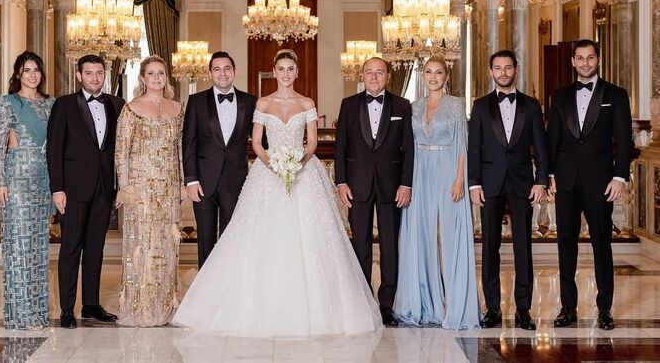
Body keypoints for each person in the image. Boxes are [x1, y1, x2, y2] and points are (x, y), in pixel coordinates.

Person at [172, 49, 382, 337]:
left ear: (297, 72)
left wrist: (297, 164)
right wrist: (273, 164)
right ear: (274, 72)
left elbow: (312, 143)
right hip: (268, 173)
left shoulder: (307, 103)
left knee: (310, 237)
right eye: (281, 69)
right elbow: (257, 142)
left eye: (290, 69)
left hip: (303, 173)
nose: (285, 73)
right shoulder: (262, 103)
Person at [547, 39, 632, 331]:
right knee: (565, 244)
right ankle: (567, 307)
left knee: (601, 244)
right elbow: (552, 138)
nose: (585, 63)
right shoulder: (560, 96)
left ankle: (605, 309)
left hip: (601, 182)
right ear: (573, 61)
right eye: (580, 58)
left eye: (590, 57)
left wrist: (620, 177)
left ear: (598, 60)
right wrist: (550, 175)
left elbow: (623, 140)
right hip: (566, 182)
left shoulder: (616, 95)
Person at [394, 55, 480, 330]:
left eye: (439, 72)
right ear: (423, 76)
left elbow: (463, 144)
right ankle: (425, 303)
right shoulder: (414, 107)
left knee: (446, 237)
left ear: (446, 76)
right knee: (421, 237)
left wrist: (460, 179)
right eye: (429, 72)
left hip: (447, 171)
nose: (433, 77)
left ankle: (453, 304)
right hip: (420, 173)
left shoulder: (455, 105)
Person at [468, 49, 548, 331]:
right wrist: (474, 183)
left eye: (508, 67)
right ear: (491, 71)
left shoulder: (531, 105)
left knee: (523, 247)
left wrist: (541, 181)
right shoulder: (480, 106)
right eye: (498, 68)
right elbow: (473, 147)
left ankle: (523, 309)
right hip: (489, 184)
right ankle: (492, 308)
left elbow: (541, 146)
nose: (503, 73)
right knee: (490, 247)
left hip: (522, 184)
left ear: (516, 69)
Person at [334, 57, 415, 326]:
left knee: (390, 246)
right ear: (362, 75)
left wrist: (406, 183)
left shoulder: (402, 106)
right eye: (369, 72)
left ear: (388, 76)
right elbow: (341, 147)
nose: (374, 77)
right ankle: (363, 301)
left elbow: (408, 149)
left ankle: (387, 305)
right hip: (357, 184)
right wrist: (341, 182)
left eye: (379, 72)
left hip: (392, 187)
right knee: (360, 245)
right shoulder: (348, 104)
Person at [46, 54, 125, 329]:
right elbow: (54, 149)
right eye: (89, 73)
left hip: (104, 188)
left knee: (95, 248)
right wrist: (57, 188)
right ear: (79, 75)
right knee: (71, 248)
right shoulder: (64, 104)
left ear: (105, 75)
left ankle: (91, 304)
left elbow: (121, 149)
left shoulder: (117, 104)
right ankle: (67, 309)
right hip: (73, 189)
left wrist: (120, 185)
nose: (94, 78)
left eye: (99, 73)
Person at [115, 55, 184, 327]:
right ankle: (141, 308)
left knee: (167, 244)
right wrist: (125, 187)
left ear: (166, 77)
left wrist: (182, 184)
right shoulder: (131, 109)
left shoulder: (177, 109)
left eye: (161, 73)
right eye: (151, 73)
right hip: (141, 186)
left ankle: (164, 306)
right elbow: (121, 151)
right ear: (143, 78)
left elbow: (181, 151)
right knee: (143, 244)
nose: (157, 78)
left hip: (169, 185)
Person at [0, 51, 54, 330]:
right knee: (19, 246)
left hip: (43, 180)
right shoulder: (6, 103)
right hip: (17, 179)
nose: (32, 75)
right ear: (18, 73)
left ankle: (37, 312)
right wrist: (0, 182)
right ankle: (22, 314)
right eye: (27, 70)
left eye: (36, 70)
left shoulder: (51, 104)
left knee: (38, 248)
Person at [182, 51, 256, 269]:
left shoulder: (250, 101)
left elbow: (261, 140)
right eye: (217, 69)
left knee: (232, 236)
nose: (222, 73)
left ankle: (229, 282)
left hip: (236, 180)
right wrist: (191, 180)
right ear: (210, 73)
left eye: (227, 68)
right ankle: (206, 285)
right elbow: (189, 142)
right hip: (203, 181)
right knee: (205, 237)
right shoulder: (196, 101)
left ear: (234, 71)